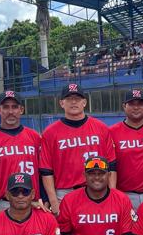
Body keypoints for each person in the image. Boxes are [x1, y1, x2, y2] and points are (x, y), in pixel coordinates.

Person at [39, 82, 116, 216]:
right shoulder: (50, 132)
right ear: (61, 103)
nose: (73, 102)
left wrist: (112, 194)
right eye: (69, 99)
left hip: (97, 189)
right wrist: (53, 201)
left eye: (77, 99)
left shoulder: (101, 128)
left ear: (84, 102)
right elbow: (46, 171)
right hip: (64, 193)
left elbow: (112, 165)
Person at [0, 90, 42, 215]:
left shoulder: (34, 137)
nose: (10, 111)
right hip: (3, 204)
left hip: (31, 202)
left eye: (15, 107)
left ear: (21, 110)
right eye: (6, 107)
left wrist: (44, 200)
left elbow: (42, 174)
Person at [110, 88, 143, 210]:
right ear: (124, 106)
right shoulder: (112, 132)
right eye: (131, 104)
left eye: (140, 104)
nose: (136, 107)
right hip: (125, 194)